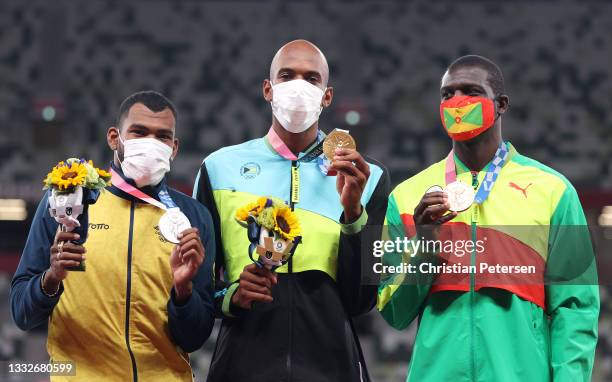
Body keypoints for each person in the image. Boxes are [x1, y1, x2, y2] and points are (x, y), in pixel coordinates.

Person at [377, 55, 599, 381]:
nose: (456, 102)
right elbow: (393, 312)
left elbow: (576, 309)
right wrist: (424, 243)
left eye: (470, 91)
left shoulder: (553, 191)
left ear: (501, 104)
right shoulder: (407, 197)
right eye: (447, 94)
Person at [193, 40, 390, 381]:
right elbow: (199, 292)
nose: (298, 86)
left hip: (332, 368)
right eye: (287, 75)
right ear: (268, 89)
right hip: (241, 366)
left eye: (311, 78)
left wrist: (353, 213)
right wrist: (232, 296)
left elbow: (361, 301)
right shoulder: (218, 168)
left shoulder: (367, 177)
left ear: (326, 96)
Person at [11, 91, 216, 381]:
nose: (151, 143)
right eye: (139, 132)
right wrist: (51, 279)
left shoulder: (193, 218)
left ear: (174, 147)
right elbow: (22, 312)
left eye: (162, 137)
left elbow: (194, 338)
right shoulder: (69, 201)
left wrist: (183, 292)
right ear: (113, 138)